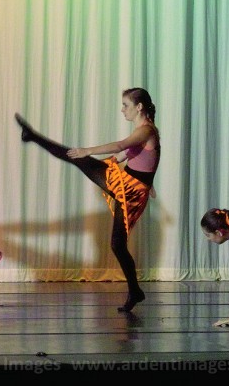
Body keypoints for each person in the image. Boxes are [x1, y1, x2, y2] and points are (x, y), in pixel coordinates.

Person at [14, 87, 160, 312]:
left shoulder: (146, 130)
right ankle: (135, 291)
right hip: (128, 187)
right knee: (118, 245)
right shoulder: (143, 131)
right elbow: (124, 155)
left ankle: (32, 136)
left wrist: (87, 152)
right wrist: (98, 162)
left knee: (77, 158)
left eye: (126, 105)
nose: (122, 110)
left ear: (139, 107)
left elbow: (121, 145)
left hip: (130, 189)